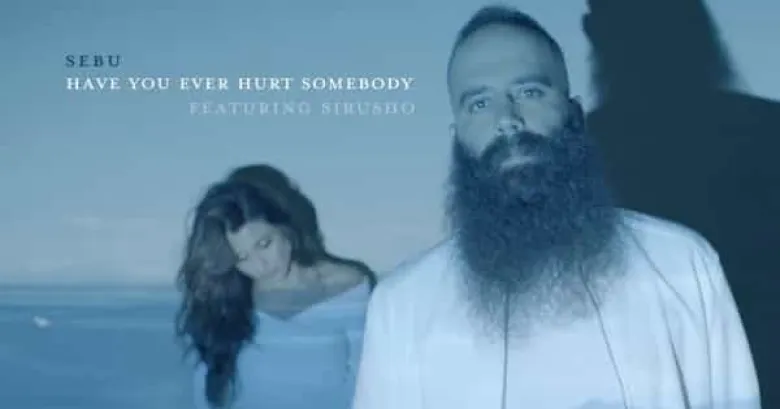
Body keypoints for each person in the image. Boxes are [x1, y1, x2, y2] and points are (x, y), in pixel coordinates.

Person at [352, 5, 760, 409]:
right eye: (479, 103)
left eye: (529, 92)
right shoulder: (401, 308)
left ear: (574, 113)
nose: (507, 119)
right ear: (456, 135)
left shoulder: (684, 265)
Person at [175, 164, 376, 409]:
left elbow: (372, 382)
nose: (260, 266)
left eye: (264, 244)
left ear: (285, 227)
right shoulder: (225, 306)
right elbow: (206, 396)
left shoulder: (347, 287)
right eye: (242, 257)